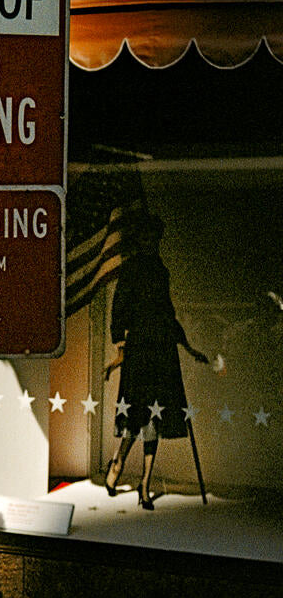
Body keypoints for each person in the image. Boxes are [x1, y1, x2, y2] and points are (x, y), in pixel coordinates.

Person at [104, 213, 208, 509]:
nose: (151, 242)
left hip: (161, 351)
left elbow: (167, 312)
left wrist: (187, 346)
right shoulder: (131, 269)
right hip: (139, 350)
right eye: (146, 236)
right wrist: (120, 348)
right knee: (136, 415)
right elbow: (119, 308)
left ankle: (145, 484)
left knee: (155, 418)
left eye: (154, 237)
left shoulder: (160, 271)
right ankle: (118, 464)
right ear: (140, 239)